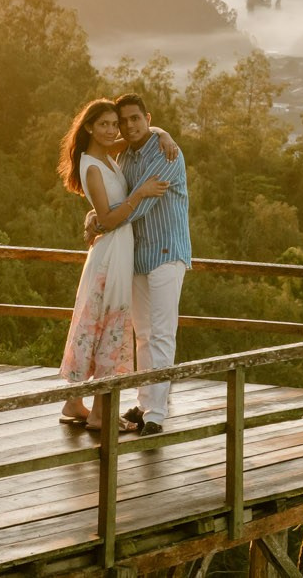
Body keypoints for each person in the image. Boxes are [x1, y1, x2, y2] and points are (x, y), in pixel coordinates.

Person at [57, 98, 170, 427]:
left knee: (94, 324)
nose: (113, 130)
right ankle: (101, 414)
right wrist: (140, 193)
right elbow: (108, 218)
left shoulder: (106, 154)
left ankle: (74, 403)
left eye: (114, 124)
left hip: (117, 249)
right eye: (104, 124)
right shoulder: (91, 165)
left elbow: (143, 134)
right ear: (90, 126)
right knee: (109, 326)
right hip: (111, 254)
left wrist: (165, 136)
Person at [112, 93, 189, 435]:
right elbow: (122, 198)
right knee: (142, 335)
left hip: (167, 254)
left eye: (136, 119)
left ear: (147, 117)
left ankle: (156, 413)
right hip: (138, 257)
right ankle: (145, 402)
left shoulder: (167, 152)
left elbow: (138, 207)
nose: (130, 125)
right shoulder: (125, 156)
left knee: (161, 334)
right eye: (123, 120)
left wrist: (101, 222)